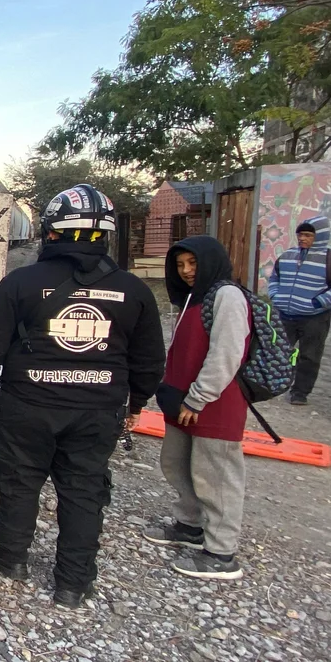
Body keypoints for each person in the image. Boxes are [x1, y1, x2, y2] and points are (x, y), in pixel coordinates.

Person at [0, 184, 165, 608]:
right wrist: (137, 404)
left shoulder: (21, 282)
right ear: (106, 235)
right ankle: (72, 583)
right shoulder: (134, 291)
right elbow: (148, 360)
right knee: (84, 490)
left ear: (51, 232)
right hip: (97, 410)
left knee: (19, 482)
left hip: (28, 405)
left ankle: (10, 555)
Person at [142, 236, 249, 580]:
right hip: (182, 402)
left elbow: (226, 354)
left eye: (193, 264)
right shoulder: (192, 299)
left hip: (212, 405)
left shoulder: (227, 296)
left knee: (215, 475)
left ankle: (222, 551)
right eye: (180, 265)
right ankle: (189, 526)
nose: (187, 271)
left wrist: (198, 397)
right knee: (177, 464)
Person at [267, 216, 331, 405]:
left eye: (307, 235)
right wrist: (275, 296)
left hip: (315, 318)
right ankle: (274, 384)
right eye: (300, 234)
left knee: (309, 356)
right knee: (279, 350)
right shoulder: (287, 256)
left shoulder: (328, 259)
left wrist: (319, 303)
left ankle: (300, 393)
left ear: (319, 236)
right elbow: (275, 279)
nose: (302, 238)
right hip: (286, 315)